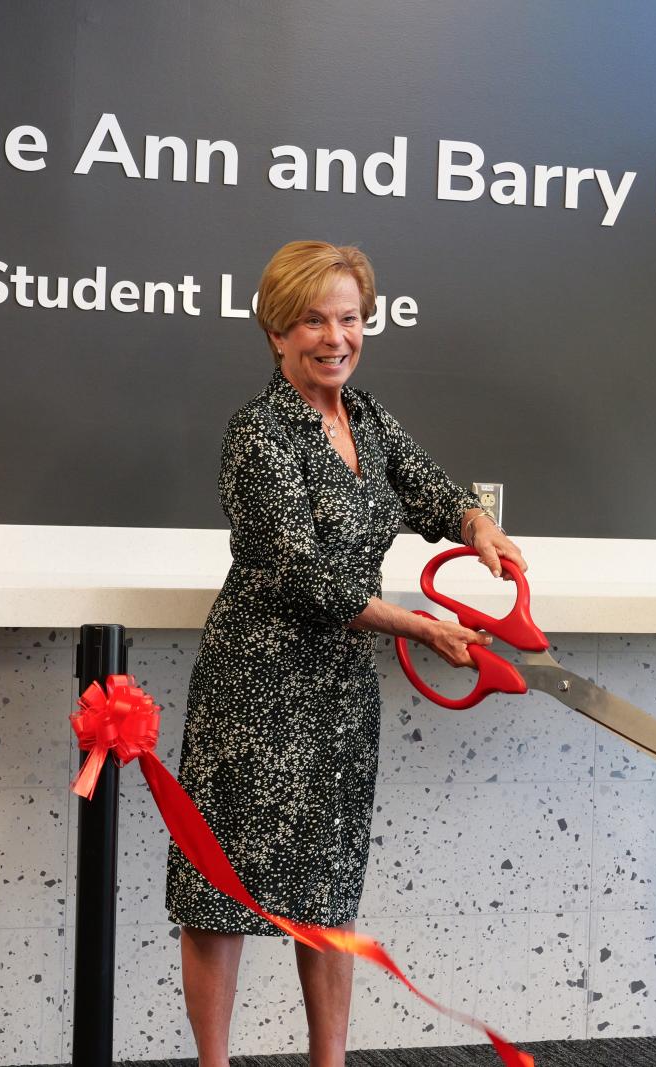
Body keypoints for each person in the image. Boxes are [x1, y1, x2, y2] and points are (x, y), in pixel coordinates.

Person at [165, 240, 524, 1067]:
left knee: (327, 892)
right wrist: (421, 627)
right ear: (276, 333)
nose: (336, 337)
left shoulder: (367, 417)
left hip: (338, 691)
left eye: (350, 318)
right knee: (221, 892)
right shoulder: (257, 432)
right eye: (313, 321)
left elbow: (434, 491)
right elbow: (306, 575)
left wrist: (478, 525)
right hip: (255, 687)